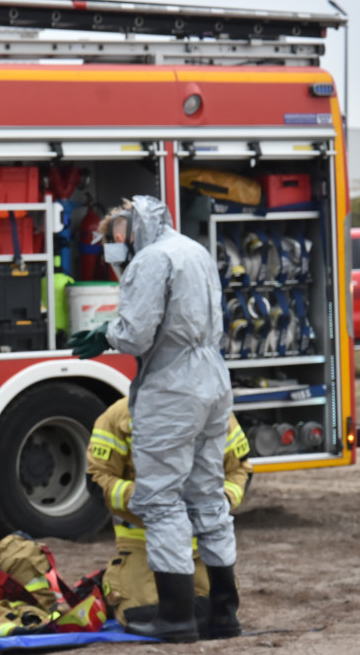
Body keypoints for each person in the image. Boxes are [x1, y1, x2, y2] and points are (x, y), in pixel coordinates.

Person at [69, 195, 238, 643]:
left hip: (173, 388)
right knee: (207, 495)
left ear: (127, 230)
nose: (111, 249)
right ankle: (224, 613)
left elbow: (136, 332)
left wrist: (103, 334)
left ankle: (177, 617)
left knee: (161, 500)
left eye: (111, 239)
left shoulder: (150, 260)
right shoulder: (192, 250)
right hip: (212, 379)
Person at [87, 397, 252, 634]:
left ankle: (120, 583)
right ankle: (116, 581)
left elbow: (240, 470)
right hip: (143, 545)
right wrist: (145, 497)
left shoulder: (216, 413)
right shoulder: (121, 416)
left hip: (200, 547)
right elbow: (96, 480)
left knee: (218, 617)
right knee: (144, 614)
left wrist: (219, 500)